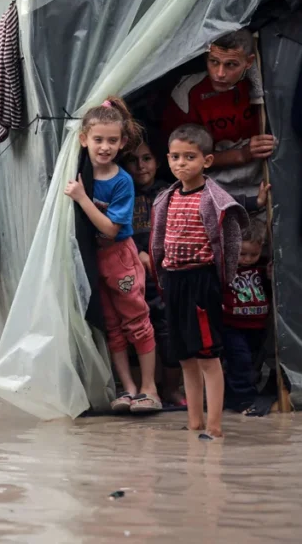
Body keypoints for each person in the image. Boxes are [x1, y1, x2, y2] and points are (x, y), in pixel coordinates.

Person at [63, 98, 161, 413]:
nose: (104, 147)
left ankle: (150, 388)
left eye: (112, 141)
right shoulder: (80, 170)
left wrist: (81, 198)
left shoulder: (122, 182)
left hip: (119, 257)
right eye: (98, 140)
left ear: (122, 144)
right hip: (94, 260)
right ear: (83, 140)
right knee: (111, 325)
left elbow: (109, 229)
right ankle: (127, 389)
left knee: (136, 320)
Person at [150, 124, 248, 440]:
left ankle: (214, 426)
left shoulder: (213, 199)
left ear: (206, 161)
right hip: (175, 281)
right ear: (167, 159)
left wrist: (221, 282)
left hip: (201, 282)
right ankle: (194, 422)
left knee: (207, 355)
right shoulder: (167, 197)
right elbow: (159, 241)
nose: (181, 164)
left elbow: (229, 245)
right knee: (185, 356)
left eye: (189, 157)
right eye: (176, 157)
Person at [161, 29, 277, 196]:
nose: (220, 74)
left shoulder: (264, 85)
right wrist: (240, 155)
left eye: (231, 64)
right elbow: (180, 159)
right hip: (209, 188)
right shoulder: (186, 93)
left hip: (263, 185)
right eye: (214, 62)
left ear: (249, 62)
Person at [122, 140, 184, 406]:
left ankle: (171, 389)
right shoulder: (121, 191)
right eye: (133, 160)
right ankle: (143, 389)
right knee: (136, 329)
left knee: (170, 329)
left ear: (159, 162)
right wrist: (138, 251)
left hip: (167, 272)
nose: (140, 166)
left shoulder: (171, 192)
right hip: (130, 272)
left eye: (147, 158)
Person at [223, 218, 272, 415]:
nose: (247, 258)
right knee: (240, 361)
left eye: (254, 254)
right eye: (242, 253)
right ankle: (245, 401)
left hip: (258, 325)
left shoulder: (261, 269)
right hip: (232, 325)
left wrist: (269, 277)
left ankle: (236, 397)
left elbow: (268, 291)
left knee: (251, 364)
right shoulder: (225, 269)